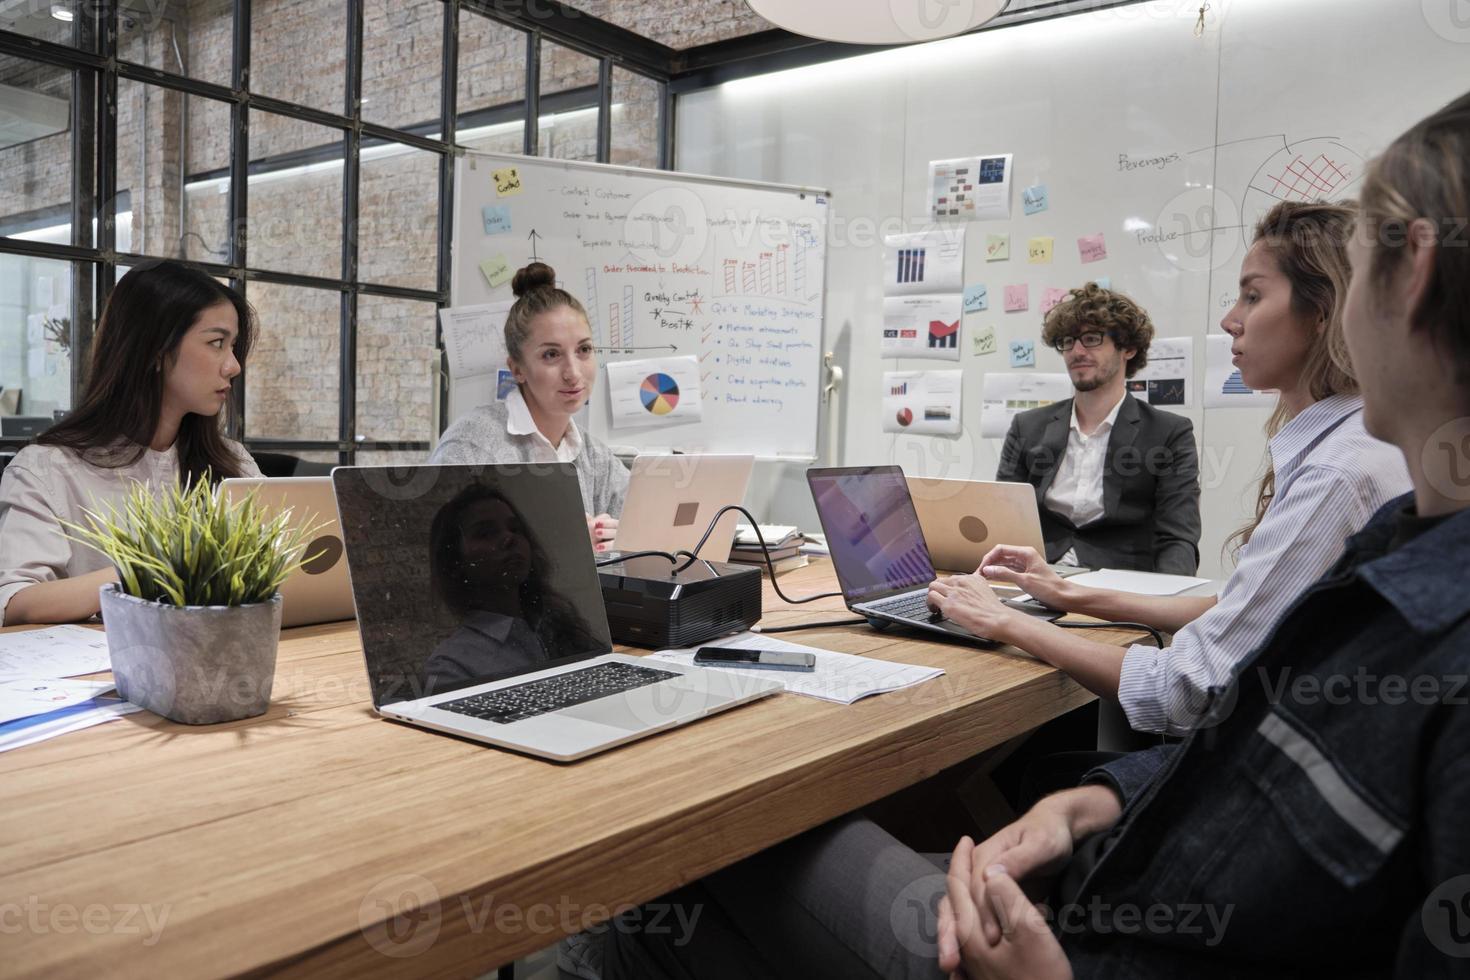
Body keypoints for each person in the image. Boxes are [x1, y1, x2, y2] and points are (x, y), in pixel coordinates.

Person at [600, 90, 1470, 980]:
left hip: (1084, 942)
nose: (1229, 321)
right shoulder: (1394, 533)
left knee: (717, 842)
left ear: (1415, 282)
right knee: (694, 908)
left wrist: (1026, 623)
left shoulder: (1347, 488)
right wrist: (1094, 794)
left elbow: (1200, 685)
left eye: (1258, 294)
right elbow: (1242, 749)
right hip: (1116, 868)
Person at [930, 201, 1411, 735]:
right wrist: (1059, 592)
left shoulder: (1333, 474)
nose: (1230, 319)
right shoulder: (1363, 447)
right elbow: (1234, 603)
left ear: (1323, 312)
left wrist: (1005, 621)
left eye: (1252, 296)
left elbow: (1185, 688)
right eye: (1068, 342)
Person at [0, 259, 261, 626]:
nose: (233, 366)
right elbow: (15, 600)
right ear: (154, 350)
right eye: (217, 343)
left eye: (233, 346)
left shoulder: (234, 462)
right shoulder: (48, 468)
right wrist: (158, 571)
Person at [996, 283, 1201, 574]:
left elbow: (1178, 536)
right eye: (1067, 341)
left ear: (1128, 348)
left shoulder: (1169, 432)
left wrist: (1167, 600)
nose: (1076, 351)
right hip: (1037, 575)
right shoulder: (1027, 426)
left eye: (1091, 339)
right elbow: (1005, 519)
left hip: (1121, 583)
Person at [430, 262, 629, 553]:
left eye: (584, 350)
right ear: (517, 369)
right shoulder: (473, 445)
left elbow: (644, 530)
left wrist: (624, 539)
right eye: (551, 354)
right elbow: (441, 554)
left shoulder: (595, 456)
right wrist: (562, 541)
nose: (573, 372)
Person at [422, 483, 601, 691]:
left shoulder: (557, 623)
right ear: (454, 560)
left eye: (515, 529)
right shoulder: (451, 665)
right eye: (485, 533)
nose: (509, 538)